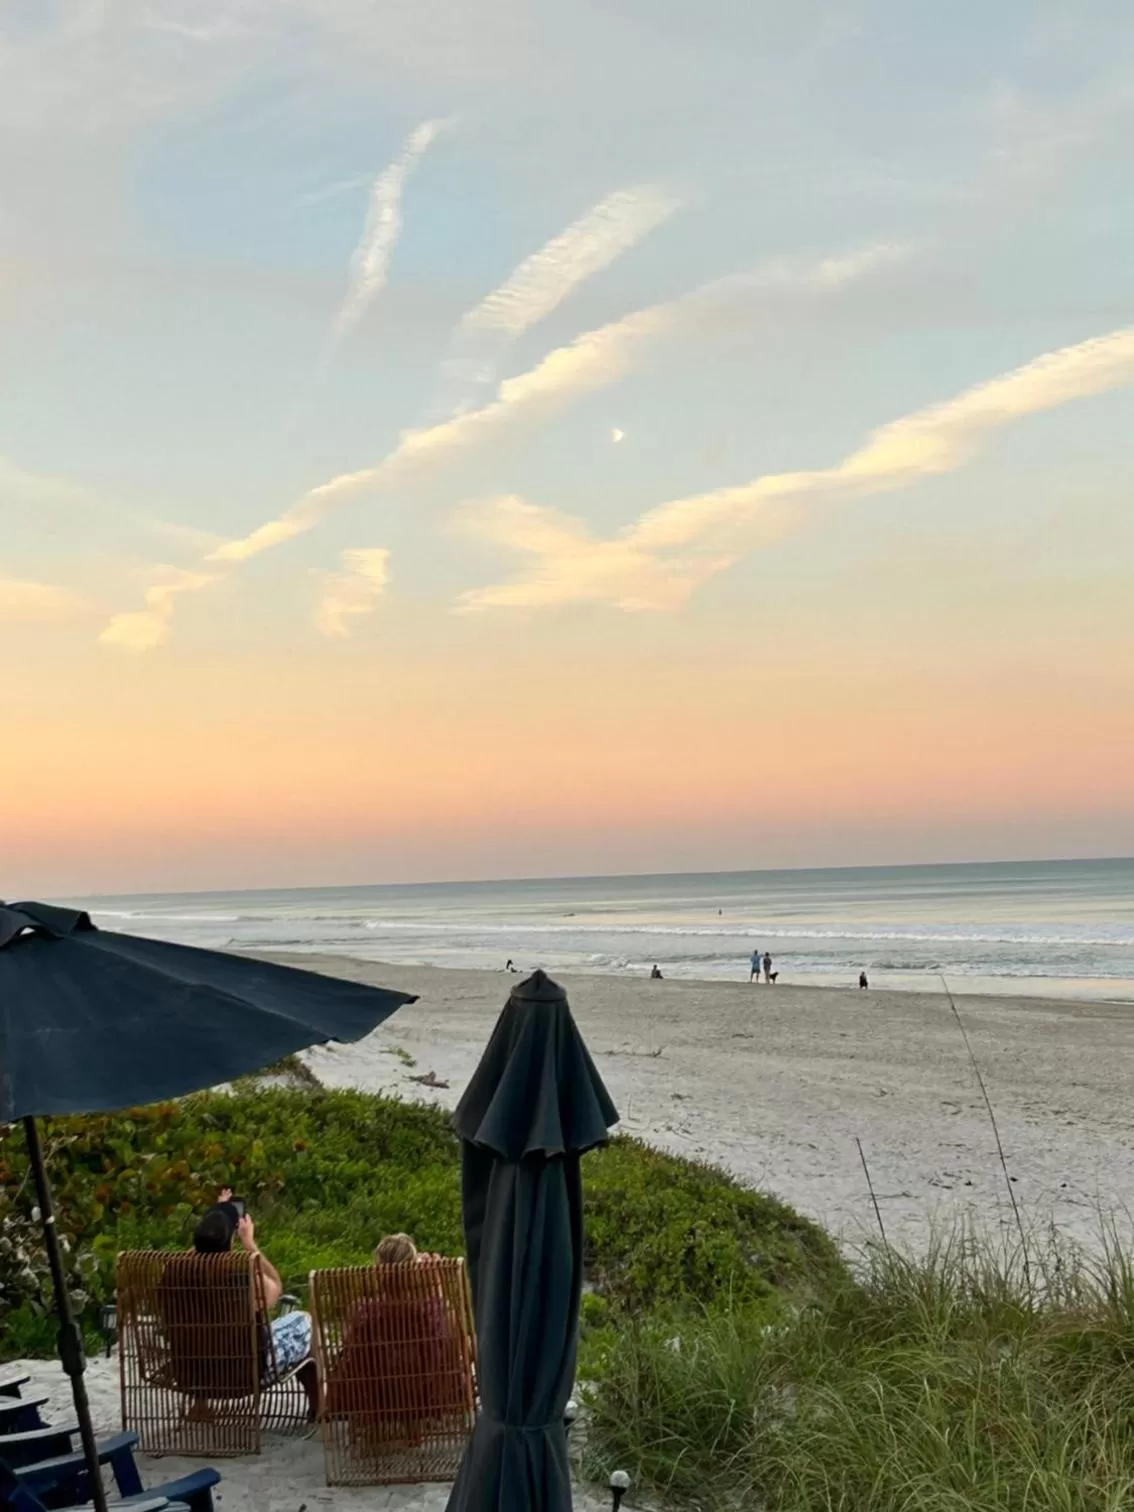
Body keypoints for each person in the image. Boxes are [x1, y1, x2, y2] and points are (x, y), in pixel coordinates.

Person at [185, 1189, 319, 1419]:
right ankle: (319, 1405)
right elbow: (276, 1286)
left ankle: (200, 1405)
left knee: (205, 1334)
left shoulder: (179, 1276)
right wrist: (249, 1244)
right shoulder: (242, 1280)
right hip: (246, 1371)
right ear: (230, 1240)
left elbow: (200, 1251)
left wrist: (215, 1218)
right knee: (304, 1321)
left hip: (195, 1372)